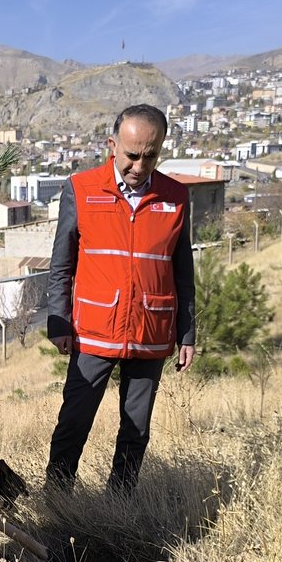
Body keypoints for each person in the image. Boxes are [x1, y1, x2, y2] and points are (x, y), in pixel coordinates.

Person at [45, 104, 196, 495]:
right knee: (74, 422)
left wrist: (188, 333)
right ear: (112, 145)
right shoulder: (80, 188)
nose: (139, 166)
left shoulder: (177, 197)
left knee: (136, 428)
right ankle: (57, 498)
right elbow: (61, 263)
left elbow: (183, 272)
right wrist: (57, 321)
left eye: (150, 156)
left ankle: (120, 504)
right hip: (93, 331)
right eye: (131, 155)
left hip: (151, 331)